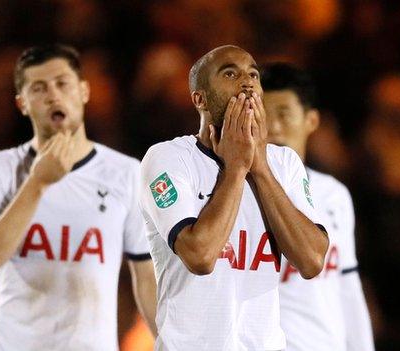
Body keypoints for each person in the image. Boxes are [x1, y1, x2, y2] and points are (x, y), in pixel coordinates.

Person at [138, 45, 329, 350]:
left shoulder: (284, 163)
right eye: (230, 73)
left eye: (254, 74)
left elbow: (312, 260)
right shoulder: (168, 159)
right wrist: (236, 169)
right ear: (199, 98)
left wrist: (261, 168)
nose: (248, 82)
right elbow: (200, 256)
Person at [0, 44, 157, 350]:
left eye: (63, 83)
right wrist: (37, 183)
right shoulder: (1, 167)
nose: (53, 95)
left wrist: (168, 340)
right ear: (22, 104)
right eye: (39, 88)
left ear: (84, 91)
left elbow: (146, 277)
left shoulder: (126, 172)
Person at [262, 62, 375, 350]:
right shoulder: (237, 194)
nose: (273, 126)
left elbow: (347, 287)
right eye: (263, 114)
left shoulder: (334, 194)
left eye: (284, 114)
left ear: (311, 121)